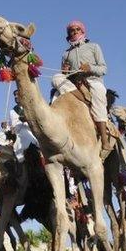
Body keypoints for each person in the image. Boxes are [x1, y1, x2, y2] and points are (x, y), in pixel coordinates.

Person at [50, 20, 110, 152]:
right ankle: (82, 100)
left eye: (77, 29)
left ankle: (105, 140)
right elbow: (63, 74)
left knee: (99, 96)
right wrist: (64, 72)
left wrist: (90, 68)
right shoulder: (66, 53)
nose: (75, 32)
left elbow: (103, 69)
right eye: (71, 30)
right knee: (56, 78)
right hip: (73, 84)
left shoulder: (94, 46)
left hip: (92, 80)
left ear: (82, 31)